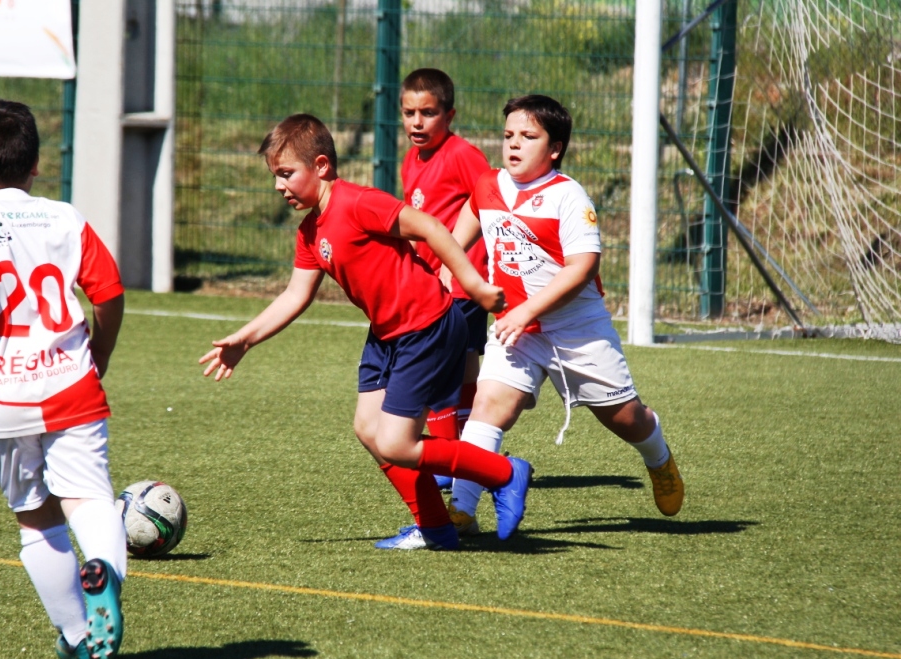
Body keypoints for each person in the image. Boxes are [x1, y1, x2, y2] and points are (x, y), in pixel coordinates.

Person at [199, 113, 533, 550]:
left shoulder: (357, 202)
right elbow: (295, 295)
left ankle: (505, 474)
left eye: (286, 174)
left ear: (320, 166)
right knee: (369, 429)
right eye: (275, 176)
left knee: (397, 442)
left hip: (426, 325)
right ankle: (435, 527)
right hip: (387, 335)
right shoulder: (308, 232)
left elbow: (430, 227)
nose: (279, 186)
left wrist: (472, 284)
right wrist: (244, 339)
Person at [0, 99, 128, 659]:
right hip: (72, 384)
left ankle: (77, 637)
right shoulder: (64, 217)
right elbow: (109, 293)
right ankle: (106, 573)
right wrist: (101, 350)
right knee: (90, 499)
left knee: (36, 518)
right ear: (37, 163)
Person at [444, 94, 684, 528]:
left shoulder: (568, 197)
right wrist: (452, 262)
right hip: (517, 328)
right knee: (489, 406)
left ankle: (658, 457)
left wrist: (527, 310)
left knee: (625, 419)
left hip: (577, 329)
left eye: (528, 137)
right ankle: (461, 509)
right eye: (508, 135)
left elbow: (582, 268)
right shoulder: (488, 184)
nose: (514, 145)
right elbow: (472, 209)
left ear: (554, 148)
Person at [399, 69, 491, 530]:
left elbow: (490, 200)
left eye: (428, 113)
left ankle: (447, 462)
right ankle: (470, 450)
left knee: (442, 374)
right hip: (436, 281)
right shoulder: (410, 159)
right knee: (467, 370)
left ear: (449, 114)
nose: (418, 122)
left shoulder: (463, 156)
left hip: (462, 282)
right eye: (410, 112)